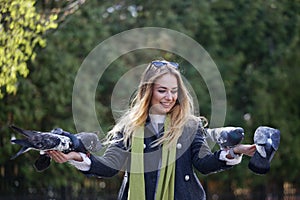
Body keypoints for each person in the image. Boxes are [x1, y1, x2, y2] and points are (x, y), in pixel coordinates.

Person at [48, 60, 256, 200]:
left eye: (174, 91)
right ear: (148, 91)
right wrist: (76, 156)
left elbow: (204, 163)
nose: (169, 97)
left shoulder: (190, 125)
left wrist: (234, 152)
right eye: (162, 90)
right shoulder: (130, 127)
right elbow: (111, 165)